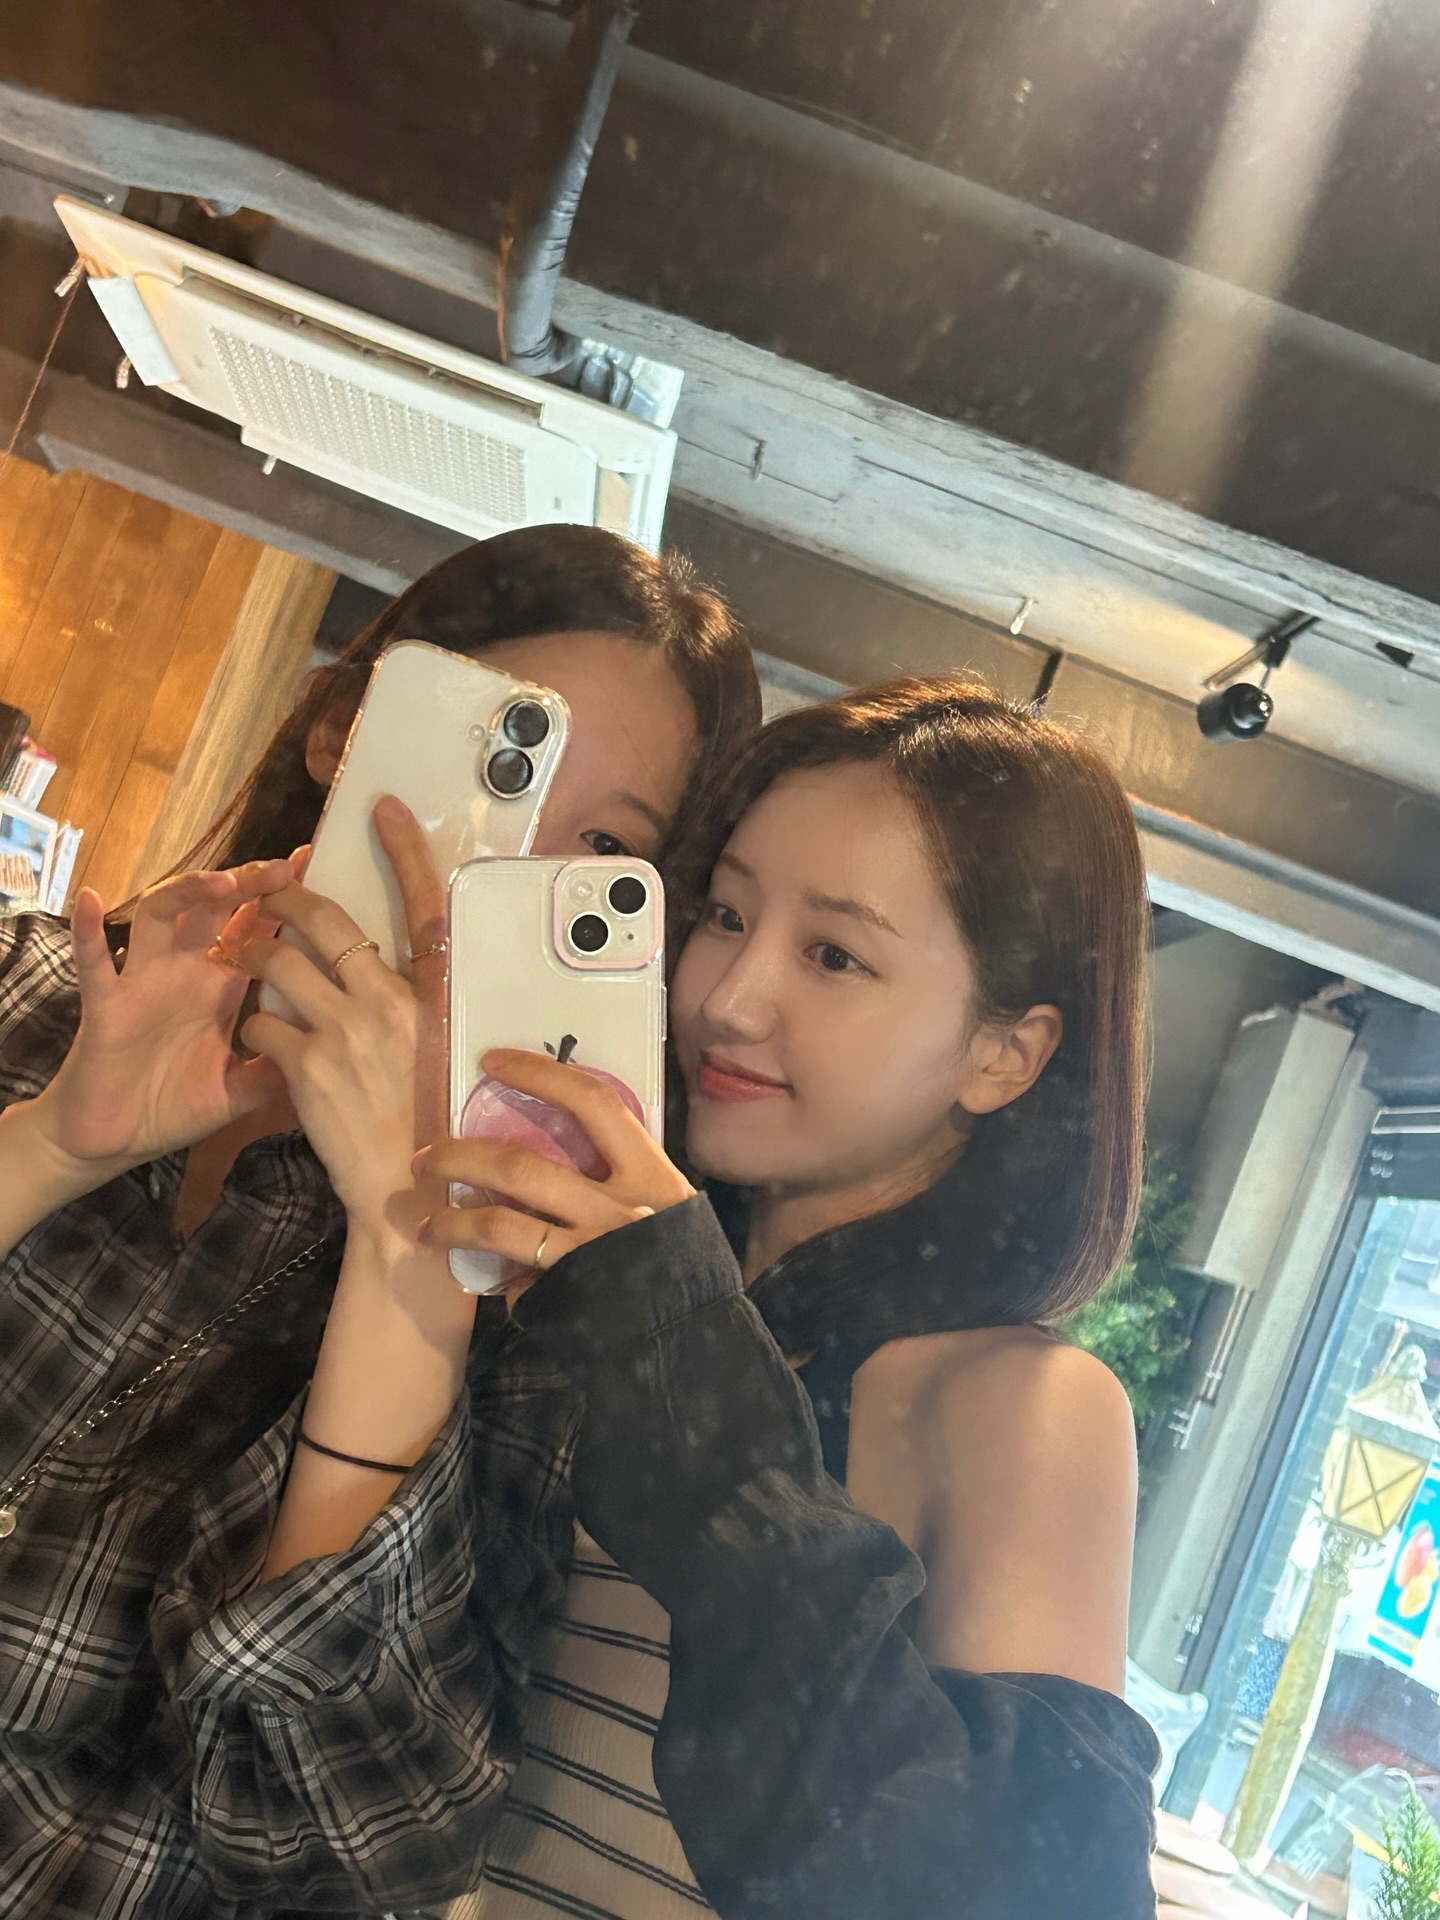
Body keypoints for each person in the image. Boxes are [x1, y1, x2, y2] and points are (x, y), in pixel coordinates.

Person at [159, 673, 1160, 1918]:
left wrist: (672, 1348)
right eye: (724, 914)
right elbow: (328, 1757)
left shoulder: (1023, 1402)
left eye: (835, 954)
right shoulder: (593, 1291)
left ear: (1004, 1054)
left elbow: (1025, 1891)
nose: (726, 999)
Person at [0, 525, 760, 1919]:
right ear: (346, 729)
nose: (488, 878)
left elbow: (352, 1851)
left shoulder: (521, 1329)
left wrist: (407, 1247)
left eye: (601, 845)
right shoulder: (32, 991)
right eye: (500, 763)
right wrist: (49, 1145)